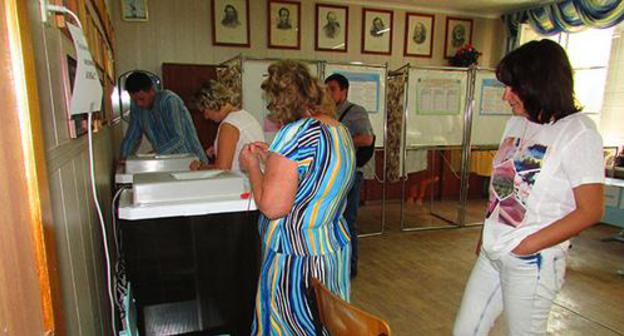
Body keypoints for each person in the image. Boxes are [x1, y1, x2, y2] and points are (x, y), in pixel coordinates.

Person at [453, 39, 604, 336]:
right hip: (494, 252)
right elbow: (504, 185)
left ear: (538, 84)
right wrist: (487, 233)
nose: (505, 96)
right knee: (465, 332)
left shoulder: (578, 131)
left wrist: (528, 246)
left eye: (513, 87)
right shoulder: (517, 123)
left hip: (532, 259)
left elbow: (590, 210)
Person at [240, 60, 355, 335]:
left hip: (296, 258)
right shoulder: (339, 130)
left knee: (292, 327)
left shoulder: (294, 133)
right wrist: (274, 157)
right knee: (324, 324)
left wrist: (253, 166)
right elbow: (314, 180)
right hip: (330, 249)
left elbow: (272, 207)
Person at [325, 73, 375, 278]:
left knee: (348, 220)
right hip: (334, 173)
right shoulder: (327, 112)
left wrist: (340, 138)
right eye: (326, 89)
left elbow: (367, 138)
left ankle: (350, 268)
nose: (329, 93)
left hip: (352, 173)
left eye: (333, 89)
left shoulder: (356, 112)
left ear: (344, 91)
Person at [119, 72, 208, 164]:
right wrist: (124, 159)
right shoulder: (137, 108)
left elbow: (178, 139)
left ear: (152, 90)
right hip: (166, 163)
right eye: (134, 100)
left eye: (142, 99)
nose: (139, 104)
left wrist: (152, 155)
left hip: (192, 161)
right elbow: (132, 137)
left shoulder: (169, 101)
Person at [189, 80, 263, 172]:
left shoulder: (229, 125)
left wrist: (199, 167)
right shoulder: (245, 116)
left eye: (204, 111)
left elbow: (222, 169)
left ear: (210, 104)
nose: (206, 117)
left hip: (242, 183)